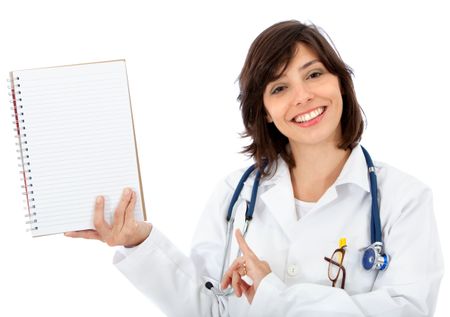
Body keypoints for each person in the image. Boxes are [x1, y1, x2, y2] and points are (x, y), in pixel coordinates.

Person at [65, 20, 444, 316]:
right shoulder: (235, 194)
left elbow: (408, 310)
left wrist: (272, 295)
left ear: (341, 83)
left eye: (314, 74)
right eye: (279, 88)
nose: (303, 96)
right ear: (264, 109)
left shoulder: (404, 199)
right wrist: (137, 240)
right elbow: (208, 309)